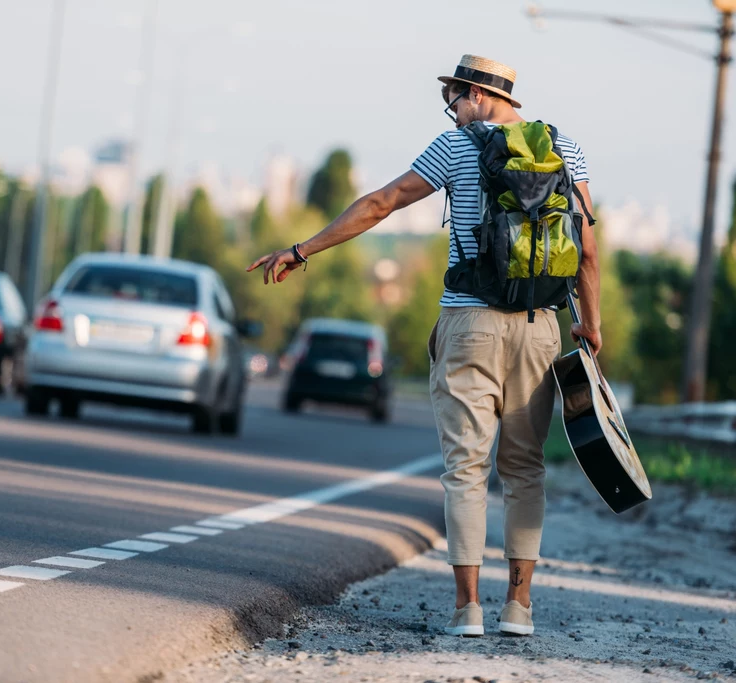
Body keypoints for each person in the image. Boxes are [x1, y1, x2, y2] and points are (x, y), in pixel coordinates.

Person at [247, 54, 601, 638]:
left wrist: (302, 249)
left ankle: (467, 611)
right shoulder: (565, 148)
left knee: (466, 467)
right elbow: (587, 249)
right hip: (541, 324)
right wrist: (590, 325)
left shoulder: (457, 146)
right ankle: (520, 609)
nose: (453, 113)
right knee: (525, 469)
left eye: (455, 101)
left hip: (470, 322)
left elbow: (381, 203)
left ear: (478, 95)